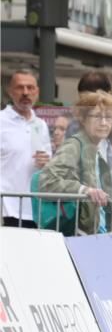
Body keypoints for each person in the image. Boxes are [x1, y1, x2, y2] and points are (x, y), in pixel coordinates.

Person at [37, 91, 112, 235]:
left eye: (108, 117)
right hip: (78, 236)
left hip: (95, 234)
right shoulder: (74, 146)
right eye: (97, 116)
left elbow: (103, 196)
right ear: (83, 119)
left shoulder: (95, 150)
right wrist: (84, 190)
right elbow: (46, 181)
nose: (104, 123)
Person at [1, 69, 51, 228]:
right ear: (10, 91)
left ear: (37, 92)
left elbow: (48, 165)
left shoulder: (41, 125)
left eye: (30, 88)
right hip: (6, 209)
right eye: (20, 87)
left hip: (36, 210)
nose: (25, 92)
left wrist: (47, 162)